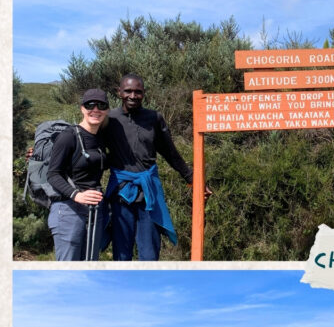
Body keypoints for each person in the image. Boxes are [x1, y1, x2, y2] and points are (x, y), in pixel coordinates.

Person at [105, 73, 210, 260]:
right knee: (121, 253)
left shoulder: (154, 118)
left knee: (150, 253)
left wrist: (193, 178)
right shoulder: (109, 119)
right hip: (120, 193)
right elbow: (93, 149)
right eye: (128, 91)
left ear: (144, 93)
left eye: (138, 92)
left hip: (149, 194)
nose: (133, 96)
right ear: (119, 92)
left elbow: (170, 152)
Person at [45, 88, 110, 260]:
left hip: (94, 211)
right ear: (82, 108)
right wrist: (77, 195)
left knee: (90, 263)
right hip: (68, 211)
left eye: (101, 105)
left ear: (107, 110)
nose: (95, 109)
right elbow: (53, 174)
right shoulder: (69, 136)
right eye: (90, 105)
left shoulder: (100, 138)